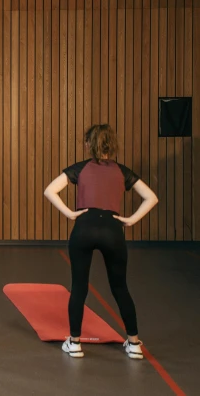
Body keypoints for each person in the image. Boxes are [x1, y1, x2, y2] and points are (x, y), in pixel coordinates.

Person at [44, 124, 158, 360]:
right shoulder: (122, 171)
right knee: (120, 288)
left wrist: (70, 213)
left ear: (89, 145)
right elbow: (151, 197)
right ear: (111, 145)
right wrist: (130, 220)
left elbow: (50, 190)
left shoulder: (80, 168)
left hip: (83, 228)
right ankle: (134, 343)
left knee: (79, 287)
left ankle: (74, 343)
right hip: (112, 230)